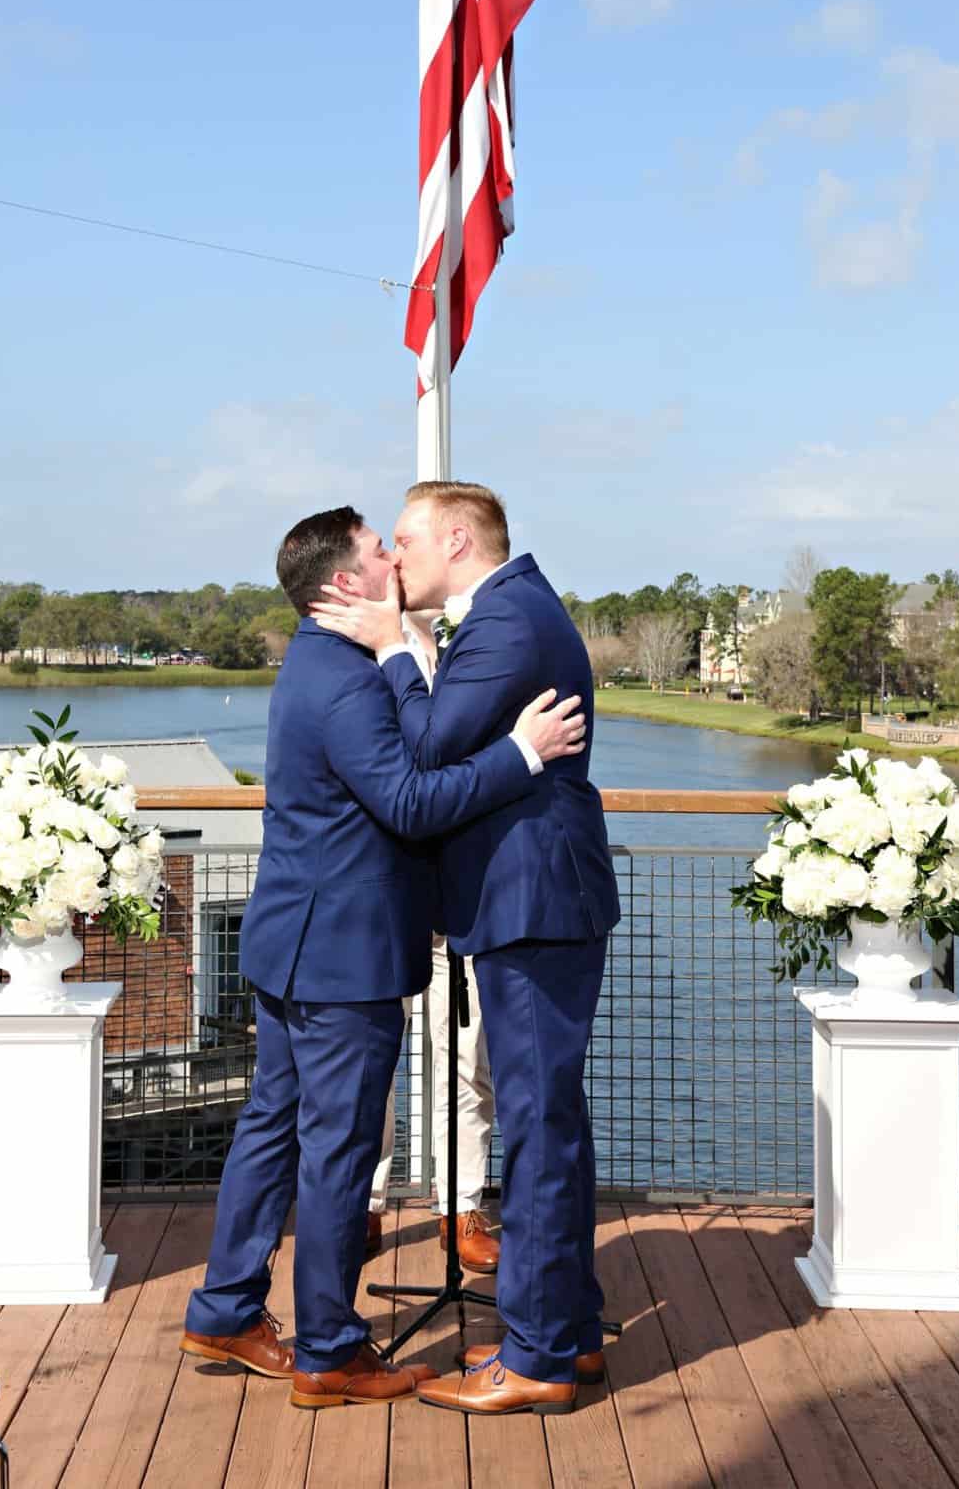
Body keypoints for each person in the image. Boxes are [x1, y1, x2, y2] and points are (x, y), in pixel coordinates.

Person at [181, 507, 586, 1411]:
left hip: (291, 937)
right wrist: (523, 753)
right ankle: (328, 1349)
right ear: (344, 584)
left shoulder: (314, 661)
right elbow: (409, 801)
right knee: (338, 1146)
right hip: (344, 956)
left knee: (272, 1125)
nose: (393, 557)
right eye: (378, 550)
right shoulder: (351, 682)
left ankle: (226, 1305)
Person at [312, 481, 621, 1416]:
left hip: (534, 901)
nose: (394, 558)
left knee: (535, 1129)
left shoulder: (506, 621)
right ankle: (566, 1331)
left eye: (403, 540)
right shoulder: (510, 613)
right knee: (548, 1122)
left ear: (456, 538)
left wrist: (395, 652)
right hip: (532, 899)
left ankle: (534, 1360)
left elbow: (428, 750)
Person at [367, 605, 499, 1274]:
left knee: (467, 1062)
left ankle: (460, 1205)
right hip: (384, 899)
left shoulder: (467, 654)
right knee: (373, 1065)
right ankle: (364, 1204)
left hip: (456, 897)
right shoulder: (364, 657)